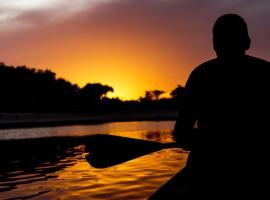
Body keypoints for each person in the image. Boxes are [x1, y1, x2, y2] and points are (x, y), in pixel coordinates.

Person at [173, 14, 270, 199]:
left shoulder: (200, 75)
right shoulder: (266, 72)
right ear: (248, 42)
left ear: (214, 44)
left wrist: (204, 138)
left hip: (208, 174)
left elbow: (181, 133)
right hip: (258, 173)